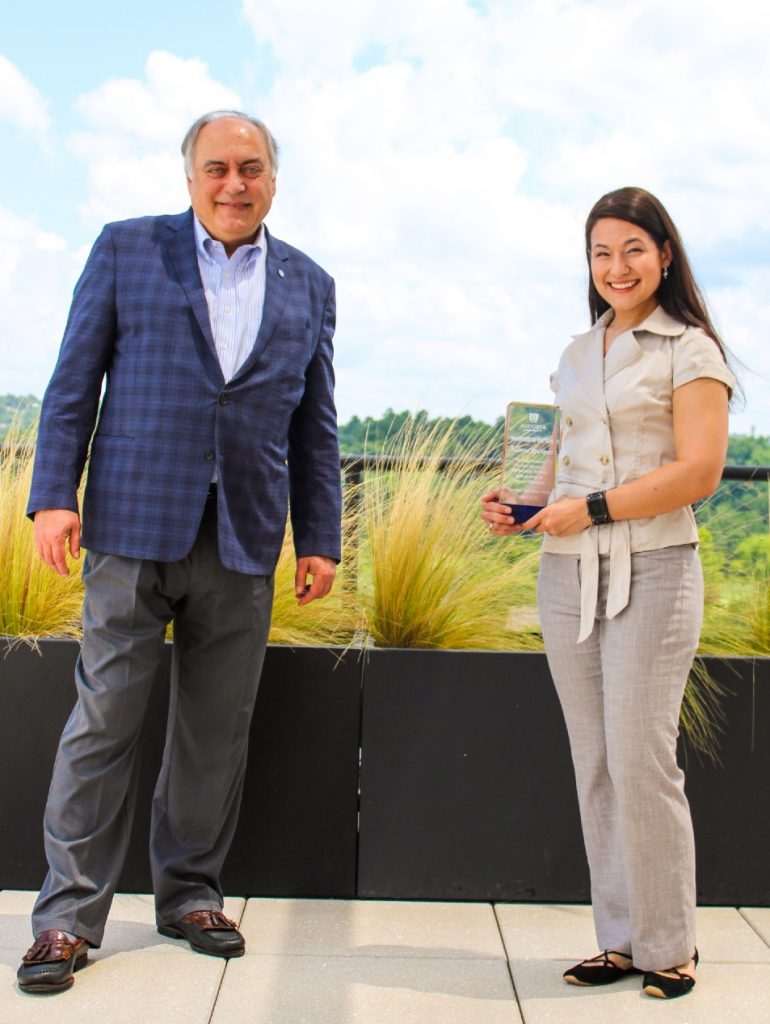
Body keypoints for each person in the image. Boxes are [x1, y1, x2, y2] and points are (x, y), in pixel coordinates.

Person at [17, 110, 341, 994]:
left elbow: (316, 424)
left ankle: (190, 895)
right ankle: (65, 919)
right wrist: (54, 496)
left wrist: (321, 537)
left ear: (275, 177)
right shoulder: (126, 250)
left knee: (213, 734)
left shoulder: (310, 282)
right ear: (188, 176)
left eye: (252, 167)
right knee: (102, 726)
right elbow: (73, 379)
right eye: (216, 168)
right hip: (128, 527)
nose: (234, 184)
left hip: (242, 539)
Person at [481, 186, 736, 1000]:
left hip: (654, 571)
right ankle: (619, 938)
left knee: (640, 757)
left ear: (665, 254)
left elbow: (698, 472)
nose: (616, 266)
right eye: (601, 252)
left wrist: (587, 508)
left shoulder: (689, 350)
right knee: (594, 761)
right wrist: (521, 507)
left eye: (633, 248)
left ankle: (672, 946)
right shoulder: (576, 351)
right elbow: (562, 458)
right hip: (568, 577)